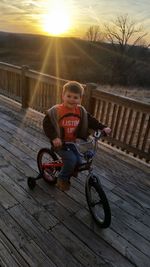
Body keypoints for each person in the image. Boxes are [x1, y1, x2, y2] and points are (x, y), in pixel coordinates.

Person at [43, 81, 111, 191]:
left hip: (74, 142)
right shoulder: (56, 111)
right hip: (60, 143)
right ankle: (62, 178)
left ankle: (70, 169)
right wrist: (54, 137)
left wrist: (103, 127)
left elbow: (91, 120)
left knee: (80, 161)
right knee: (71, 160)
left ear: (80, 99)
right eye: (68, 96)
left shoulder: (80, 111)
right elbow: (47, 124)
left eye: (75, 97)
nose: (71, 99)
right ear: (63, 96)